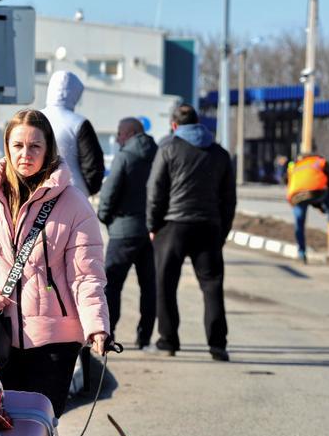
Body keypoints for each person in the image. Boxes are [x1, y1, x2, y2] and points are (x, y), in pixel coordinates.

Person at [0, 109, 111, 417]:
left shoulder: (73, 203)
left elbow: (86, 274)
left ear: (48, 148)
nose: (26, 154)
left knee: (40, 425)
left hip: (54, 341)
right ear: (7, 148)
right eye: (18, 146)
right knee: (3, 427)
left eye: (35, 146)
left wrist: (96, 327)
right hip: (1, 336)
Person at [146, 104, 235, 361]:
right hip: (209, 227)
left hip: (172, 226)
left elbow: (156, 190)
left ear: (174, 125)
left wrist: (152, 225)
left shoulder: (168, 148)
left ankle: (168, 340)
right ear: (199, 124)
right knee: (212, 285)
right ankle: (218, 345)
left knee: (165, 284)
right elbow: (229, 198)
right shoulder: (219, 153)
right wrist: (222, 231)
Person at [98, 117, 158, 352]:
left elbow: (109, 192)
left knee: (111, 285)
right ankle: (144, 338)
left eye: (120, 133)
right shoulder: (159, 154)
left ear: (131, 133)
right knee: (149, 287)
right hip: (152, 231)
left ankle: (109, 336)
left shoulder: (124, 157)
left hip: (123, 231)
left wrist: (105, 216)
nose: (118, 137)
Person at [41, 70, 104, 196]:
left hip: (37, 192)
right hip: (73, 193)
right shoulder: (79, 123)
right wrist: (89, 189)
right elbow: (93, 164)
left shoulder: (32, 119)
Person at [285, 152, 329, 263]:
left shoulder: (296, 165)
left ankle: (301, 253)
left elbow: (286, 180)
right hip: (317, 191)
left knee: (299, 223)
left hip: (297, 196)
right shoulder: (319, 161)